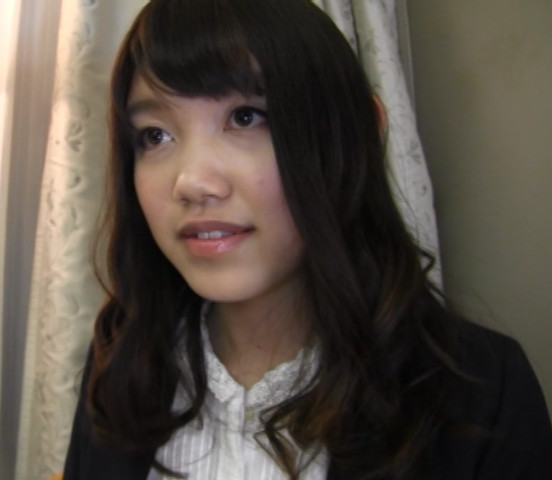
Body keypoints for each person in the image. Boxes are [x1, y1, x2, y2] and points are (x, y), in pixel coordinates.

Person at [62, 0, 552, 478]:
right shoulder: (121, 365)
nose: (191, 183)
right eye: (154, 135)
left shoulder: (483, 392)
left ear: (356, 134)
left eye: (246, 117)